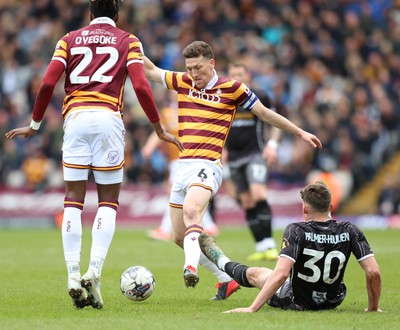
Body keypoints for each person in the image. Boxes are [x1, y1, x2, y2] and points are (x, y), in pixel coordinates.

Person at [5, 0, 182, 309]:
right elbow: (140, 85)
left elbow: (48, 81)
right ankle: (94, 270)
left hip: (75, 119)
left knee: (72, 200)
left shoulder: (69, 39)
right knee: (108, 202)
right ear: (118, 14)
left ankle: (73, 274)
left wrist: (34, 124)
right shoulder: (128, 40)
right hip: (107, 118)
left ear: (89, 14)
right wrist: (158, 128)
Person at [143, 40, 322, 294]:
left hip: (208, 164)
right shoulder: (183, 81)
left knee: (193, 211)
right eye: (190, 68)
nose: (194, 74)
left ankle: (190, 268)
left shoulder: (233, 89)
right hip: (183, 166)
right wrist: (129, 43)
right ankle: (226, 276)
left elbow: (265, 113)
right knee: (179, 236)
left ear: (212, 63)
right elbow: (149, 71)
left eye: (198, 68)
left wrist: (300, 132)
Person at [199, 180, 382, 313]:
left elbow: (281, 274)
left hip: (298, 301)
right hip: (333, 300)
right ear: (331, 207)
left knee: (257, 273)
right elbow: (373, 272)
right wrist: (373, 308)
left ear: (304, 209)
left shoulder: (296, 230)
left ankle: (221, 261)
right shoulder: (350, 229)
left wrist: (252, 308)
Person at [225, 62, 285, 262]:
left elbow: (275, 121)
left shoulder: (259, 96)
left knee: (259, 193)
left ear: (248, 76)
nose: (237, 78)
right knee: (247, 201)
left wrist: (272, 145)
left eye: (240, 74)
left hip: (255, 154)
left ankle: (269, 244)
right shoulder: (224, 99)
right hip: (233, 157)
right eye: (233, 75)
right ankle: (261, 246)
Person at [142, 92, 219, 242]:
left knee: (173, 191)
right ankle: (210, 226)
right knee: (184, 194)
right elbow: (160, 131)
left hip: (189, 158)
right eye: (172, 91)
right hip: (175, 159)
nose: (174, 94)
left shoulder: (193, 108)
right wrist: (149, 147)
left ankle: (165, 229)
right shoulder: (167, 112)